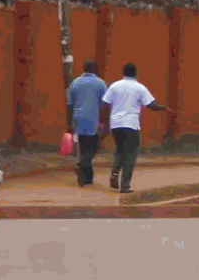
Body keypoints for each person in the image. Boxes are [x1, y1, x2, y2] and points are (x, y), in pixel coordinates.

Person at [100, 63, 162, 192]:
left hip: (116, 124)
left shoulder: (114, 86)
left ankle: (115, 172)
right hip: (131, 125)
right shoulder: (139, 88)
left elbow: (104, 103)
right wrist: (165, 108)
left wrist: (104, 122)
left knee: (120, 150)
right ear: (135, 73)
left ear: (123, 72)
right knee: (130, 154)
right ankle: (125, 185)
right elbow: (151, 105)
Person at [67, 59, 107, 188]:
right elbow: (105, 104)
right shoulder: (100, 83)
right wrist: (104, 121)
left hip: (78, 118)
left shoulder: (75, 83)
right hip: (93, 118)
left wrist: (69, 123)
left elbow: (69, 104)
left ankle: (87, 178)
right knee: (94, 146)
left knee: (83, 146)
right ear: (95, 69)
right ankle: (81, 165)